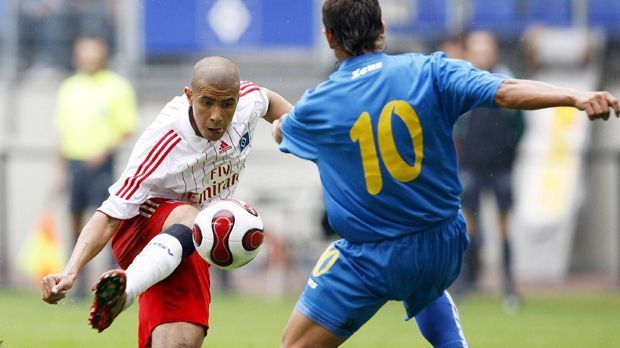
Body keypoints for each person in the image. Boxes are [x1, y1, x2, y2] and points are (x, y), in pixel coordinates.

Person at [271, 1, 620, 347]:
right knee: (424, 285)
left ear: (329, 38)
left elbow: (285, 129)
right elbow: (505, 90)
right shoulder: (431, 71)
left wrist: (263, 104)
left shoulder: (319, 104)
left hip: (373, 256)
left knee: (295, 345)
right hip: (443, 243)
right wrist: (574, 95)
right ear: (382, 29)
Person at [41, 56, 293, 348]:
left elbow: (268, 100)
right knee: (192, 219)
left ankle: (128, 291)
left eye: (227, 104)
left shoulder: (247, 103)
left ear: (237, 99)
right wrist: (70, 271)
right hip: (140, 228)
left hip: (194, 240)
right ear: (189, 96)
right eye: (206, 102)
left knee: (182, 342)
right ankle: (127, 290)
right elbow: (109, 215)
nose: (216, 115)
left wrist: (294, 124)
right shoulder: (165, 140)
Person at [56, 36, 137, 295]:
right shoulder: (69, 87)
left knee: (107, 219)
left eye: (94, 51)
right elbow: (62, 132)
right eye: (84, 51)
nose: (89, 56)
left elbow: (126, 129)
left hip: (102, 164)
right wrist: (59, 170)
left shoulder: (117, 87)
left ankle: (112, 278)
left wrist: (104, 150)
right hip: (75, 162)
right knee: (75, 218)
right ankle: (76, 280)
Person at [453, 31, 524, 311]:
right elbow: (455, 124)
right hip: (471, 166)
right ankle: (465, 287)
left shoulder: (506, 79)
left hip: (501, 167)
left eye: (486, 48)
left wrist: (510, 152)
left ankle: (509, 289)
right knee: (468, 227)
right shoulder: (460, 82)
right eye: (476, 48)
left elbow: (519, 125)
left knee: (504, 228)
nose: (481, 53)